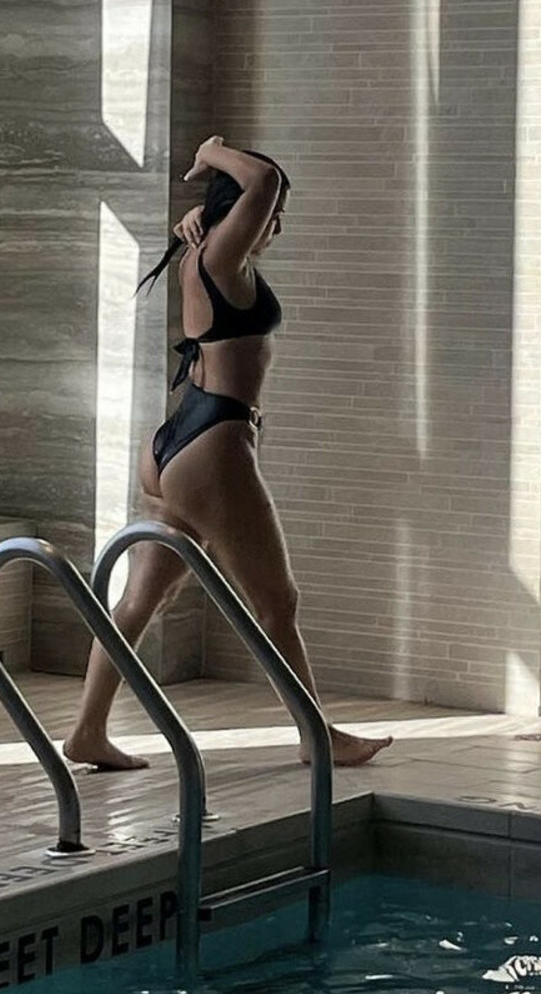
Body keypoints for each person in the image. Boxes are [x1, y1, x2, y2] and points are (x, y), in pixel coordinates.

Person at [64, 136, 393, 768]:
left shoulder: (201, 254)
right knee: (277, 603)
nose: (276, 224)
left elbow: (259, 192)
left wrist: (203, 212)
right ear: (242, 208)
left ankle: (87, 730)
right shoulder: (218, 259)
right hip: (214, 445)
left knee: (143, 599)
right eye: (272, 215)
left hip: (173, 444)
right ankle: (316, 736)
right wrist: (212, 152)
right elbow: (264, 180)